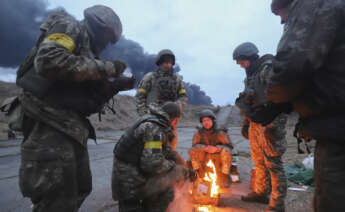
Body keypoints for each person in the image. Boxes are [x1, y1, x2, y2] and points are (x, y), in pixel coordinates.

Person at [16, 5, 126, 211]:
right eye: (109, 38)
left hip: (70, 127)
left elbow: (86, 104)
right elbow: (48, 61)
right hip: (48, 122)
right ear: (100, 27)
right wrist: (107, 68)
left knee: (78, 189)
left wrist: (111, 88)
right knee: (57, 195)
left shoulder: (87, 55)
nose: (108, 44)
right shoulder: (69, 27)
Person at [269, 0, 345, 211]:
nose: (283, 21)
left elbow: (292, 65)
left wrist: (272, 98)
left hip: (338, 129)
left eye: (280, 15)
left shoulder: (315, 4)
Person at [233, 42, 288, 212]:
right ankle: (261, 192)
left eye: (241, 61)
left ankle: (277, 204)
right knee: (258, 161)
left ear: (249, 57)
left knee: (273, 162)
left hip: (270, 122)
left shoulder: (267, 69)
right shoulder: (250, 76)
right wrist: (246, 122)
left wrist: (273, 123)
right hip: (255, 123)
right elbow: (249, 100)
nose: (239, 64)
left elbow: (282, 98)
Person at [112, 102, 194, 212]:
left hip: (130, 173)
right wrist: (176, 167)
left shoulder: (154, 121)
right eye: (176, 122)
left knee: (177, 173)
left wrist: (184, 165)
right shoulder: (154, 128)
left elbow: (168, 150)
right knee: (175, 175)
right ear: (175, 119)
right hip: (128, 181)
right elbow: (152, 163)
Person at [135, 49, 188, 150]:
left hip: (170, 121)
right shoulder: (150, 77)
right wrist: (144, 114)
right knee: (151, 148)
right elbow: (140, 96)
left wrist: (178, 106)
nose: (168, 65)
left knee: (170, 149)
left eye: (170, 62)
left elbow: (183, 97)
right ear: (160, 63)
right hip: (152, 118)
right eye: (165, 62)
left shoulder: (176, 80)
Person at [189, 109, 233, 187]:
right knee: (192, 151)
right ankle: (198, 174)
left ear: (213, 120)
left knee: (226, 151)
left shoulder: (220, 132)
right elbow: (194, 146)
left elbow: (229, 146)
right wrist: (204, 147)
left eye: (208, 120)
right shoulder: (199, 133)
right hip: (204, 154)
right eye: (204, 121)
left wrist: (216, 148)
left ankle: (224, 177)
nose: (206, 123)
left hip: (218, 154)